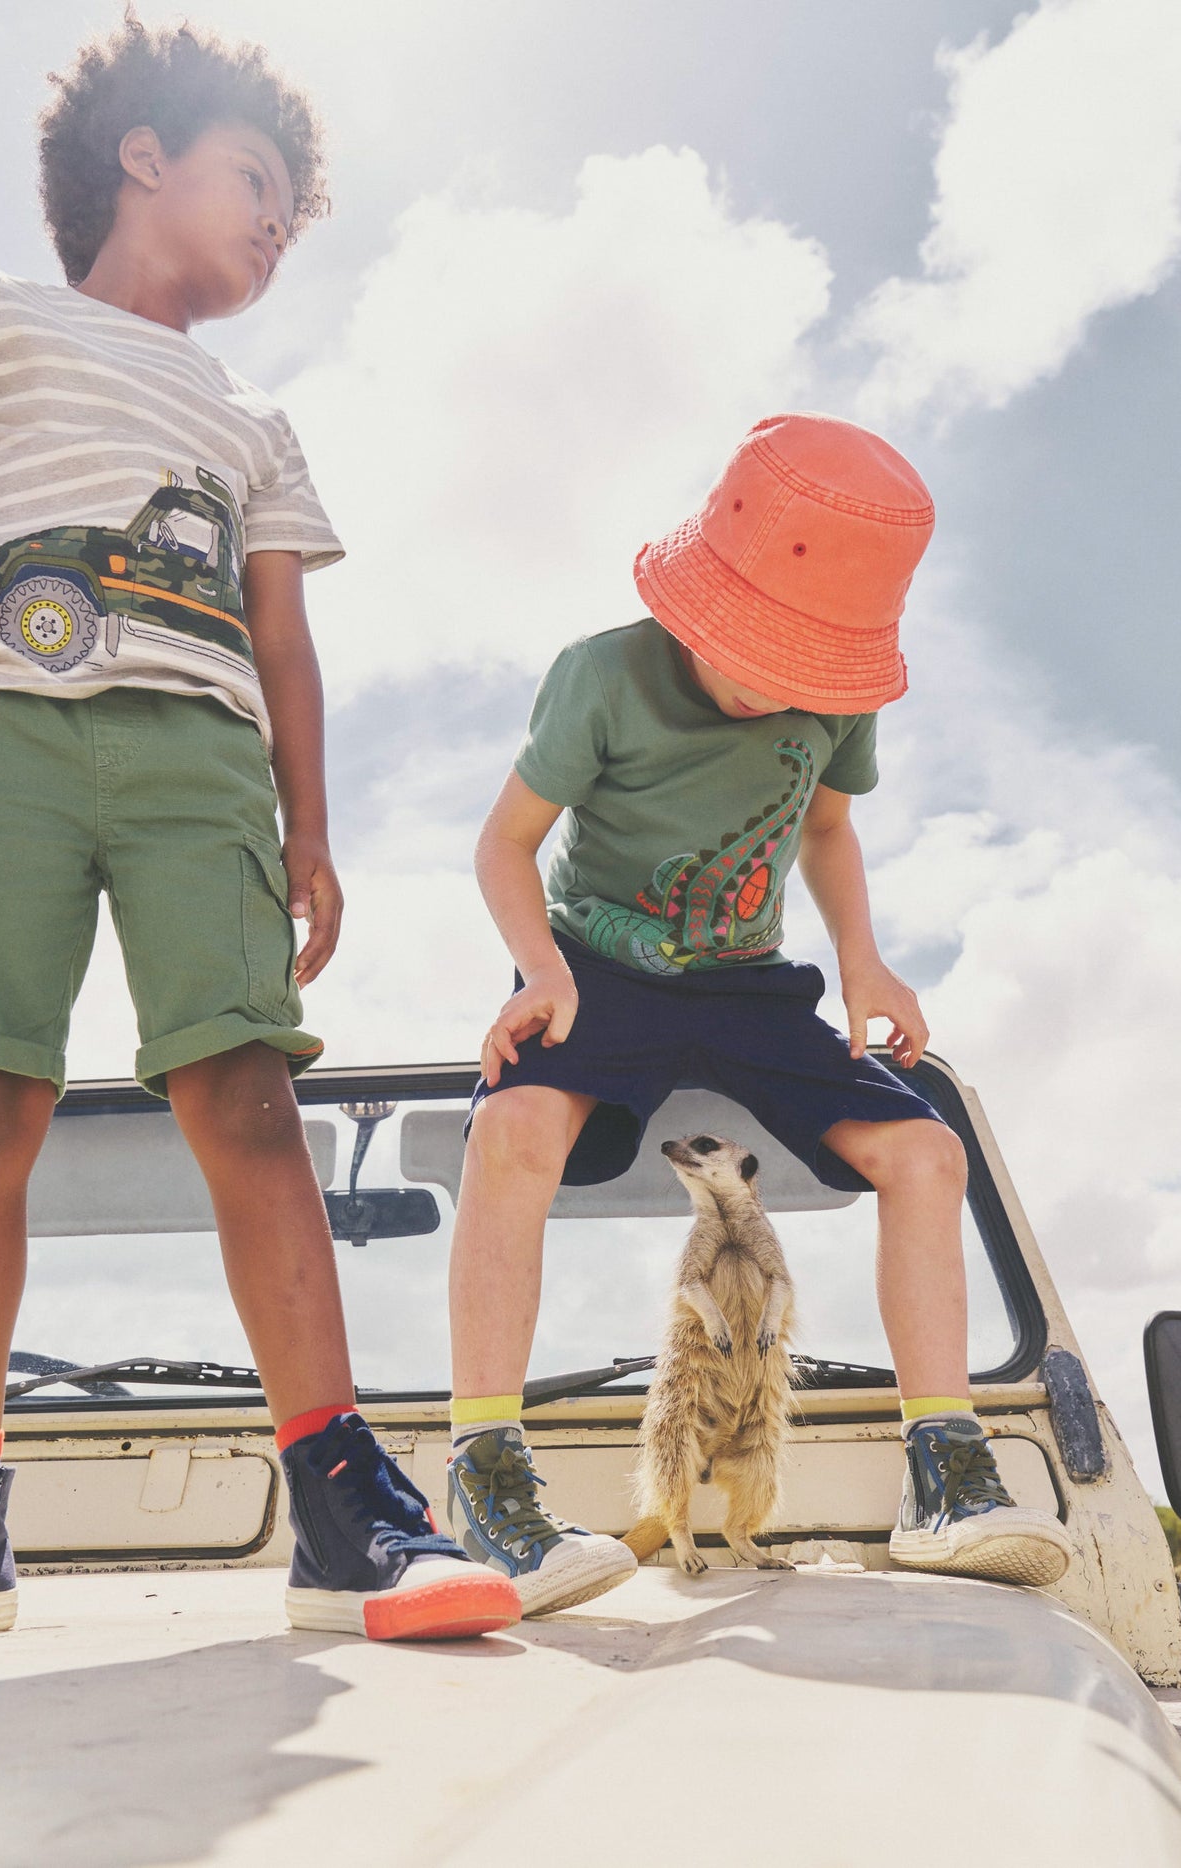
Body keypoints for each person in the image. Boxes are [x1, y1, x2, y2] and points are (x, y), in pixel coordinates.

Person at [0, 19, 519, 1651]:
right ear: (143, 154)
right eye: (256, 181)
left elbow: (284, 640)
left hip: (202, 762)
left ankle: (341, 1493)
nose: (274, 225)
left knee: (246, 1091)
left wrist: (311, 826)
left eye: (288, 210)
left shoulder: (252, 416)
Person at [445, 412, 1074, 1612]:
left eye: (803, 675)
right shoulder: (601, 676)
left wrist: (865, 964)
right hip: (596, 964)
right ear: (697, 605)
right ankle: (485, 1471)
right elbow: (505, 843)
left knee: (926, 1150)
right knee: (506, 1132)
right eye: (758, 659)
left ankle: (942, 1473)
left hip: (748, 980)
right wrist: (536, 969)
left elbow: (827, 826)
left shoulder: (834, 695)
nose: (777, 693)